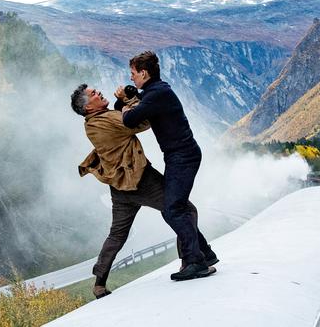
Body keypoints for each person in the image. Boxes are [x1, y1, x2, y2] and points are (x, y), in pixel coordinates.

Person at [70, 84, 217, 298]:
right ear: (88, 107)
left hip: (119, 187)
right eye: (93, 94)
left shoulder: (92, 124)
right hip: (141, 181)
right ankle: (192, 260)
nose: (99, 92)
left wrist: (123, 103)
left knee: (117, 234)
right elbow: (142, 121)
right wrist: (131, 101)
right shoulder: (107, 120)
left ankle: (99, 283)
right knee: (183, 210)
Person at [121, 51, 214, 281]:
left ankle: (196, 262)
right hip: (179, 156)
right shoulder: (155, 91)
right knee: (177, 207)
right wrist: (127, 99)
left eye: (133, 74)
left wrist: (125, 108)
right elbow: (137, 106)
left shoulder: (157, 94)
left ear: (144, 73)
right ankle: (205, 254)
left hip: (183, 157)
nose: (131, 78)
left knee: (173, 209)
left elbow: (130, 120)